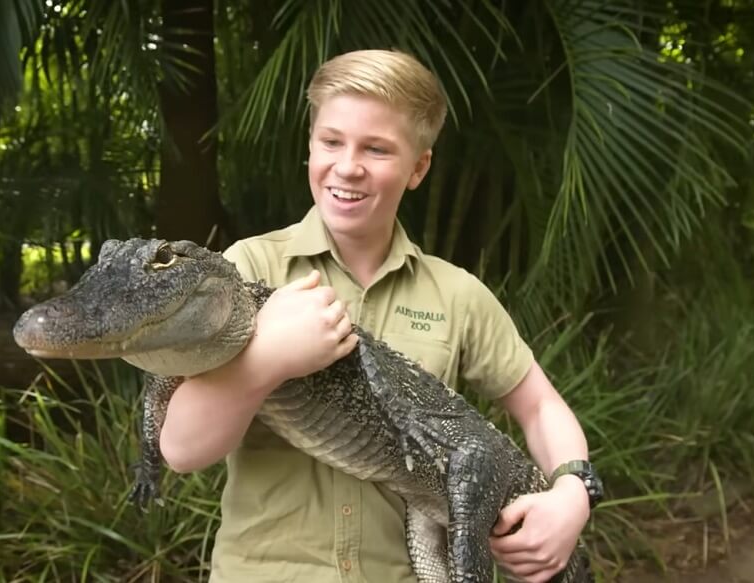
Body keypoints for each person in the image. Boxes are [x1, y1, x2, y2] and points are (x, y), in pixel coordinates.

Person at [158, 49, 599, 583]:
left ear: (418, 167)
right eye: (331, 141)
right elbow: (181, 450)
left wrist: (573, 494)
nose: (348, 166)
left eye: (377, 149)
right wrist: (268, 358)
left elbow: (539, 406)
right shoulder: (245, 268)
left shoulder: (458, 294)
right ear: (310, 146)